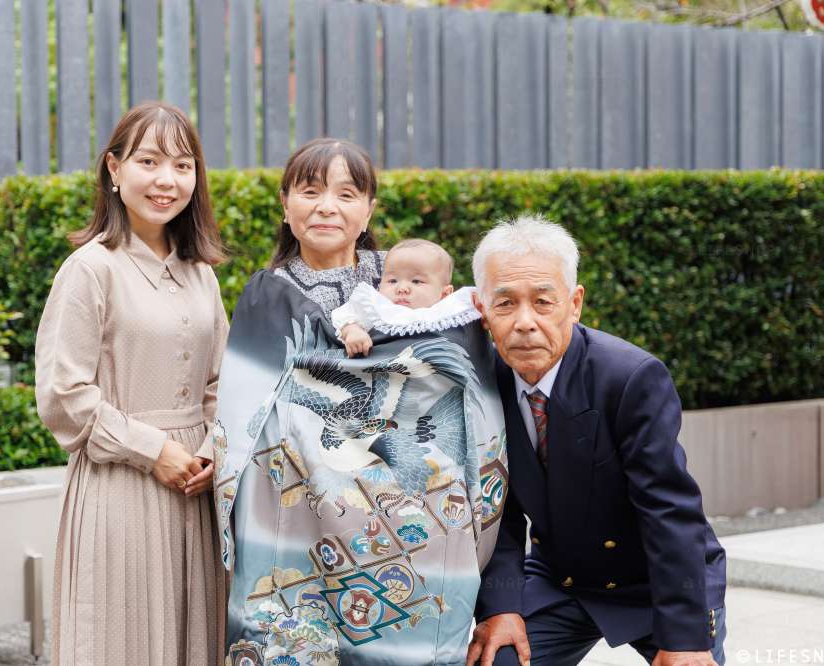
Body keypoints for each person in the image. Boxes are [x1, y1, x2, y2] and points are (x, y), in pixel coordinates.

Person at [209, 139, 509, 665]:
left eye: (346, 193)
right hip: (294, 512)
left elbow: (448, 365)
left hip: (402, 518)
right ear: (285, 203)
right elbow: (243, 403)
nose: (327, 205)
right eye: (310, 190)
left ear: (369, 208)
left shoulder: (408, 281)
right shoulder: (266, 295)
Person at [465, 216, 727, 666]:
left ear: (575, 302)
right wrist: (501, 607)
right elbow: (497, 511)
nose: (525, 323)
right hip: (561, 576)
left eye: (544, 302)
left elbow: (669, 511)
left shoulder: (630, 378)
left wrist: (685, 638)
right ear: (480, 309)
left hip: (654, 578)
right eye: (505, 303)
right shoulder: (481, 382)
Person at [35, 101, 228, 665]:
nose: (167, 180)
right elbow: (63, 397)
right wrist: (153, 451)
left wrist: (215, 447)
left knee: (197, 643)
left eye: (183, 164)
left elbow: (221, 381)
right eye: (149, 161)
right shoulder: (90, 269)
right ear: (114, 170)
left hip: (198, 490)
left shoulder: (202, 273)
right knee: (124, 643)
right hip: (121, 488)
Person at [331, 238, 480, 358]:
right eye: (392, 281)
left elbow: (480, 308)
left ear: (445, 294)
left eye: (416, 281)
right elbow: (345, 313)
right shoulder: (378, 306)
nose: (401, 288)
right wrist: (352, 330)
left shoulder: (450, 310)